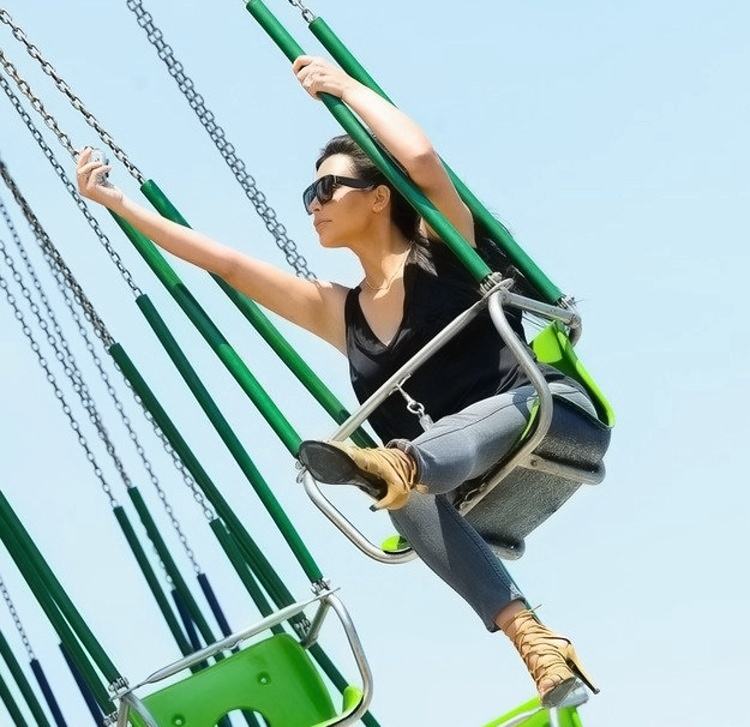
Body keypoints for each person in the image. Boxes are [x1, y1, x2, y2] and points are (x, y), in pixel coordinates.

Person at [76, 55, 598, 708]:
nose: (314, 203)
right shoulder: (338, 310)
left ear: (380, 195)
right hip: (452, 473)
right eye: (309, 195)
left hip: (546, 415)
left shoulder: (442, 249)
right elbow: (230, 264)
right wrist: (120, 207)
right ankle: (534, 640)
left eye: (328, 188)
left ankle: (403, 464)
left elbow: (425, 162)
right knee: (398, 492)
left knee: (396, 469)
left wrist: (345, 88)